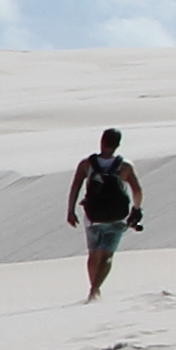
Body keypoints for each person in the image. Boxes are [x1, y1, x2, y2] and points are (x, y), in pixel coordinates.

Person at [65, 127, 144, 300]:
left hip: (93, 217)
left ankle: (93, 288)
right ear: (118, 144)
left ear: (102, 141)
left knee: (93, 254)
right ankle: (95, 289)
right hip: (117, 217)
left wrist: (70, 211)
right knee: (107, 255)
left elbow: (75, 187)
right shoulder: (125, 166)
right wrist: (136, 210)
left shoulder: (87, 164)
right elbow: (137, 191)